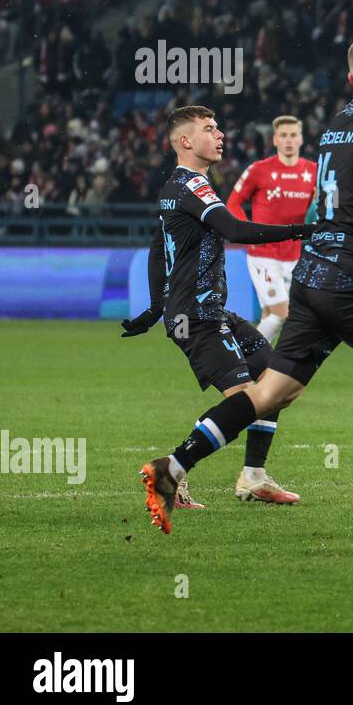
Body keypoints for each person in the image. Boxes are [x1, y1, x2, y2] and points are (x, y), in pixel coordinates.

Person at [140, 36, 353, 547]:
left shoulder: (334, 128)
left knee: (272, 392)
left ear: (352, 79)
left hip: (311, 279)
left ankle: (172, 466)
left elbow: (349, 200)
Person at [121, 105, 313, 506]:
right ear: (185, 141)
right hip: (196, 316)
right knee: (247, 396)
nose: (221, 135)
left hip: (208, 311)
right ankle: (172, 470)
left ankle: (254, 477)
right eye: (210, 129)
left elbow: (159, 249)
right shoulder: (191, 186)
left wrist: (156, 307)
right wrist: (303, 230)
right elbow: (234, 229)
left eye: (219, 128)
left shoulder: (178, 188)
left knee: (278, 384)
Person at [226, 115, 318, 344]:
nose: (289, 140)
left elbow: (320, 210)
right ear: (275, 140)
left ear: (301, 139)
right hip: (263, 254)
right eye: (284, 135)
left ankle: (258, 370)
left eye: (293, 135)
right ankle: (245, 361)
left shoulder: (313, 172)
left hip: (294, 256)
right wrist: (246, 233)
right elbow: (233, 203)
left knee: (271, 316)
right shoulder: (259, 170)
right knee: (281, 313)